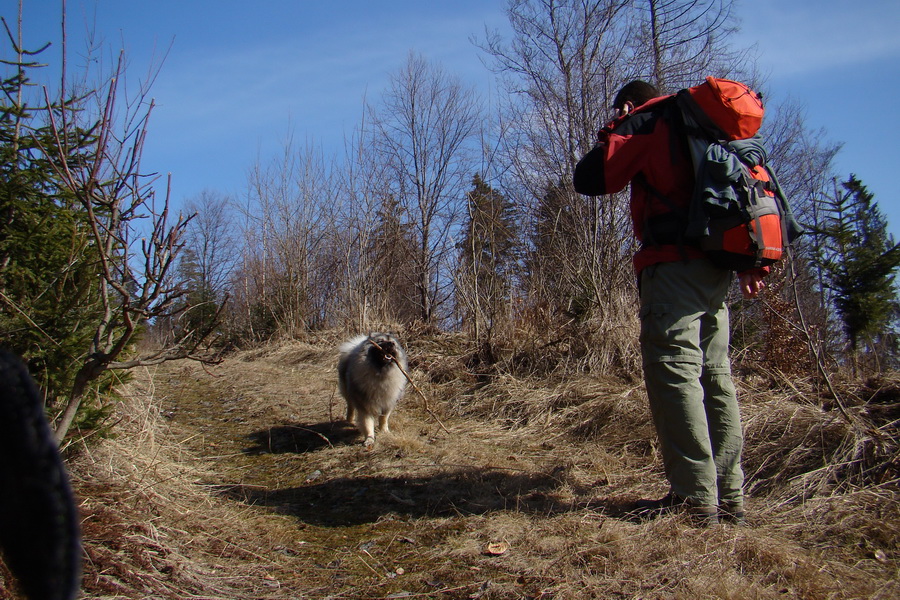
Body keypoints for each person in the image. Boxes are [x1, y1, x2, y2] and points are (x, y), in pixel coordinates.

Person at [573, 80, 763, 526]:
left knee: (675, 374)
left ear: (630, 102)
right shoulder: (709, 127)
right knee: (716, 376)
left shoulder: (652, 120)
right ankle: (729, 496)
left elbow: (590, 178)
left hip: (672, 267)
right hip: (717, 269)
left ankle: (694, 500)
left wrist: (618, 122)